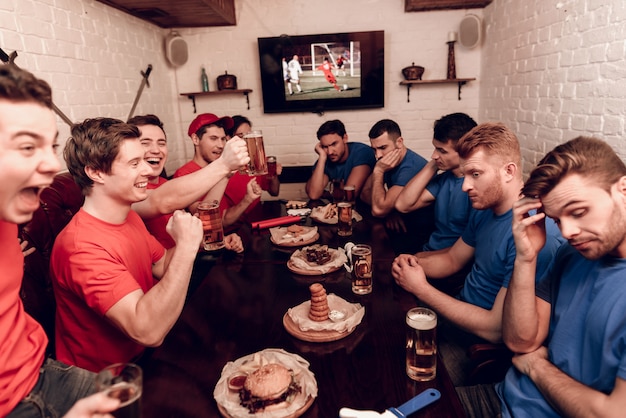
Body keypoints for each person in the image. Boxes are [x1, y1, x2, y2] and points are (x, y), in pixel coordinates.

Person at [391, 123, 564, 386]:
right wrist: (411, 263)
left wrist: (422, 289)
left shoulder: (536, 234)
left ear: (509, 171)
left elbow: (496, 329)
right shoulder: (485, 208)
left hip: (476, 346)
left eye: (475, 174)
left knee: (399, 375)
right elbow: (452, 259)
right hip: (455, 318)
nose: (465, 186)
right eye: (465, 174)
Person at [0, 64, 120, 417]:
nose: (53, 165)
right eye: (27, 146)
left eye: (50, 146)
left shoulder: (9, 211)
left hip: (40, 369)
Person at [51, 117, 204, 373]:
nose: (148, 170)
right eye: (134, 163)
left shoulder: (128, 215)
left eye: (144, 160)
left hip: (141, 359)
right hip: (102, 382)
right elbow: (147, 331)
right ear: (96, 172)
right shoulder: (81, 247)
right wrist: (187, 248)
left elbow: (163, 265)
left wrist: (192, 235)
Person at [492, 136, 626, 417]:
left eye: (578, 212)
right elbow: (521, 342)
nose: (567, 232)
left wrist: (536, 367)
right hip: (504, 399)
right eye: (556, 220)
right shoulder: (570, 254)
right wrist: (526, 257)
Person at [127, 114, 245, 251]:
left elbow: (188, 236)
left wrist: (221, 240)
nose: (156, 150)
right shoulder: (130, 190)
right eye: (145, 143)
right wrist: (224, 164)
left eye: (161, 143)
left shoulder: (165, 182)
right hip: (166, 269)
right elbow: (162, 200)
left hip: (186, 262)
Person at [174, 113, 278, 232]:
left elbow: (223, 220)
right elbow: (206, 220)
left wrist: (248, 198)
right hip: (206, 246)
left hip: (231, 236)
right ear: (195, 139)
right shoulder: (184, 174)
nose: (220, 145)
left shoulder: (219, 170)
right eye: (213, 138)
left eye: (223, 139)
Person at [395, 113, 477, 251]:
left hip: (452, 262)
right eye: (435, 147)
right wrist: (434, 164)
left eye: (442, 150)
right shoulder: (445, 179)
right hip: (429, 250)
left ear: (466, 150)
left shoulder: (476, 188)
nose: (433, 155)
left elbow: (469, 248)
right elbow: (402, 205)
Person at [360, 119, 431, 252]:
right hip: (399, 226)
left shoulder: (411, 167)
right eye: (374, 149)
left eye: (383, 148)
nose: (378, 155)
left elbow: (378, 210)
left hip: (419, 234)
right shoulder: (387, 160)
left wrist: (378, 171)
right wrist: (390, 211)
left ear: (399, 142)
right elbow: (365, 193)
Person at [305, 119, 376, 201]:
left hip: (364, 208)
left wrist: (327, 194)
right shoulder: (325, 157)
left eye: (334, 144)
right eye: (325, 146)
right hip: (342, 208)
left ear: (345, 138)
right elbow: (313, 194)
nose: (330, 152)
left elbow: (349, 195)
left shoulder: (362, 152)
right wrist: (322, 157)